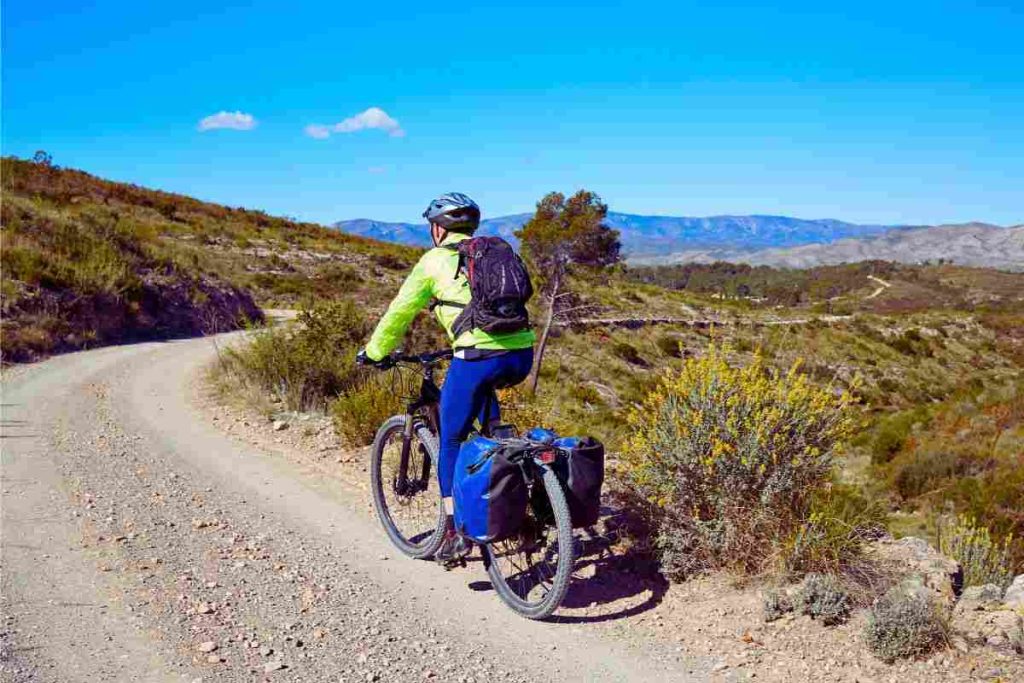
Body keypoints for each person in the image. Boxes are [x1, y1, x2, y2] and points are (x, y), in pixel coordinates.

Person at [356, 192, 535, 562]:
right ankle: (526, 504)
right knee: (492, 427)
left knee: (451, 437)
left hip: (476, 356)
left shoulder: (434, 260)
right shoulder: (498, 251)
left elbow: (399, 312)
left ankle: (454, 532)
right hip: (521, 354)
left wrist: (374, 352)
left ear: (438, 228)